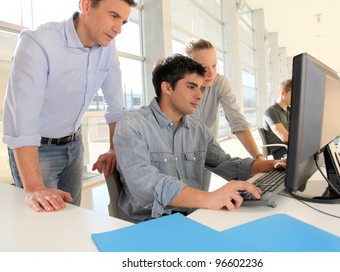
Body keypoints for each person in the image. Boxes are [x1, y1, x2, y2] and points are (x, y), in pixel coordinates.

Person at [2, 0, 137, 213]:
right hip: (37, 150)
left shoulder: (107, 47)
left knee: (72, 218)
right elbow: (22, 119)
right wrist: (34, 187)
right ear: (86, 4)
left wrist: (114, 148)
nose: (118, 29)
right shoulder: (38, 42)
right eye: (113, 16)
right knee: (44, 225)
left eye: (123, 22)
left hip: (74, 146)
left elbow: (116, 108)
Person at [113, 54, 286, 223]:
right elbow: (145, 184)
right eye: (191, 87)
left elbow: (224, 164)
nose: (199, 95)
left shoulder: (197, 128)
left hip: (192, 219)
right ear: (167, 88)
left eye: (200, 88)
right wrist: (209, 198)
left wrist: (269, 165)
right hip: (147, 225)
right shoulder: (132, 124)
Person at [182, 38, 264, 160]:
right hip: (179, 152)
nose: (211, 73)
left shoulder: (219, 82)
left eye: (214, 65)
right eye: (204, 68)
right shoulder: (178, 87)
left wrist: (259, 157)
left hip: (206, 151)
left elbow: (236, 120)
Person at [263, 79, 292, 159]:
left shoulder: (289, 110)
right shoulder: (271, 112)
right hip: (281, 151)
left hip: (290, 148)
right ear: (283, 93)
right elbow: (284, 137)